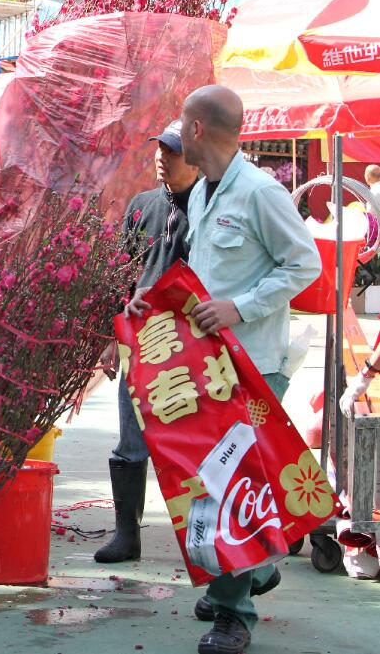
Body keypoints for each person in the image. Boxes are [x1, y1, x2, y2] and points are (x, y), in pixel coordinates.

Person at [130, 86, 319, 654]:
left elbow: (304, 263)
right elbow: (203, 271)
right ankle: (252, 574)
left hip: (256, 364)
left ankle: (234, 615)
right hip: (213, 363)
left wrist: (242, 307)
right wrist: (152, 299)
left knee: (230, 485)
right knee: (217, 480)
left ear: (195, 131)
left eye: (180, 124)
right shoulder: (207, 191)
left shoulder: (260, 192)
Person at [94, 120, 199, 564]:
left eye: (172, 151)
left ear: (194, 158)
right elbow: (119, 275)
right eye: (159, 149)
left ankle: (204, 544)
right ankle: (126, 534)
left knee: (195, 446)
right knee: (131, 442)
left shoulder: (210, 208)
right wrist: (108, 336)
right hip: (140, 342)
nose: (162, 157)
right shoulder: (141, 207)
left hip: (192, 345)